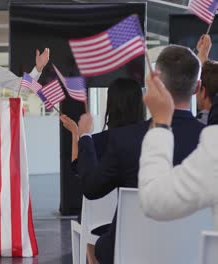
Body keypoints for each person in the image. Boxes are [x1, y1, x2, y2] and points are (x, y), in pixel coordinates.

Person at [77, 45, 205, 264]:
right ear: (197, 88)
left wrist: (84, 138)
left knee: (97, 247)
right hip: (196, 253)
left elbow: (91, 188)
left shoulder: (125, 140)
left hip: (130, 253)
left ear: (155, 84)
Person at [60, 78, 144, 264]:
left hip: (103, 227)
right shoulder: (153, 139)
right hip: (145, 226)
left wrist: (79, 134)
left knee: (91, 235)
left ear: (111, 106)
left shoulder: (97, 142)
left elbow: (80, 170)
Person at [139, 71, 218, 226]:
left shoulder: (213, 145)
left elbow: (155, 199)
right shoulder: (204, 134)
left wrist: (161, 123)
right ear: (197, 87)